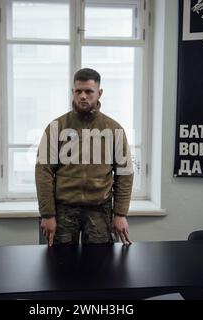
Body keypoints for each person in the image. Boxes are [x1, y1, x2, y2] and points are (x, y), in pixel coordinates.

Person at [35, 68, 134, 246]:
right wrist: (47, 214)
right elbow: (43, 172)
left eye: (89, 91)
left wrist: (120, 214)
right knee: (59, 266)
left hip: (99, 209)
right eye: (78, 91)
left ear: (99, 93)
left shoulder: (114, 129)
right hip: (63, 209)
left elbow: (125, 174)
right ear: (72, 92)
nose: (83, 96)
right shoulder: (56, 127)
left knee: (99, 266)